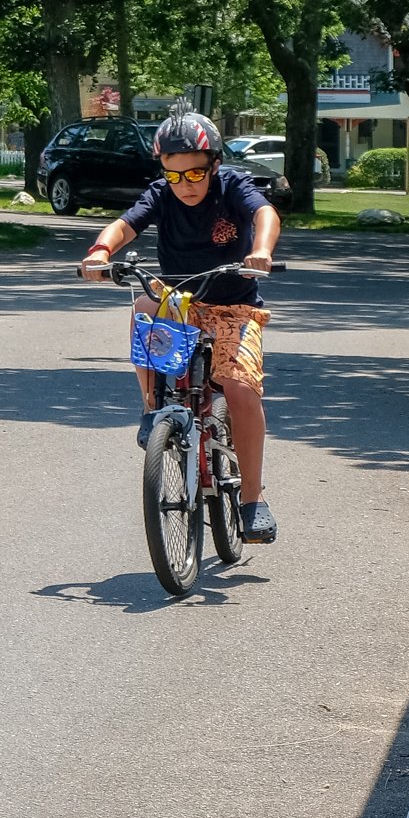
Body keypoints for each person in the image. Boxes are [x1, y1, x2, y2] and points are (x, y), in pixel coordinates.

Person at [77, 110, 281, 544]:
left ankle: (252, 500)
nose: (184, 184)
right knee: (145, 302)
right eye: (173, 175)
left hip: (233, 307)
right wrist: (99, 252)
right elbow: (125, 225)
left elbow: (265, 214)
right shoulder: (162, 194)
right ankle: (153, 408)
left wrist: (260, 251)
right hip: (182, 302)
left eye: (194, 173)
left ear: (214, 165)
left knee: (240, 389)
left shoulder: (233, 187)